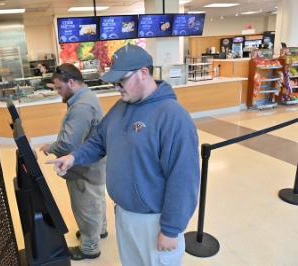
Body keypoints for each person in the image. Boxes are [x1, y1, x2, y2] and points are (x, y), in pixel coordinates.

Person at [47, 45, 200, 266]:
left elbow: (184, 180)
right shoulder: (121, 107)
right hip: (124, 214)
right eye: (113, 82)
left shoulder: (173, 117)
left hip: (155, 222)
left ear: (143, 74)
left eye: (121, 81)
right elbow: (99, 140)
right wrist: (73, 157)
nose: (116, 87)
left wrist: (171, 229)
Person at [39, 63, 107, 261]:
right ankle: (98, 231)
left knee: (86, 206)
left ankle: (90, 247)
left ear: (71, 82)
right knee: (96, 200)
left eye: (60, 88)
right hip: (95, 162)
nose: (59, 93)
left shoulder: (81, 106)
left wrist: (51, 147)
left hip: (84, 166)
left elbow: (68, 144)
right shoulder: (87, 96)